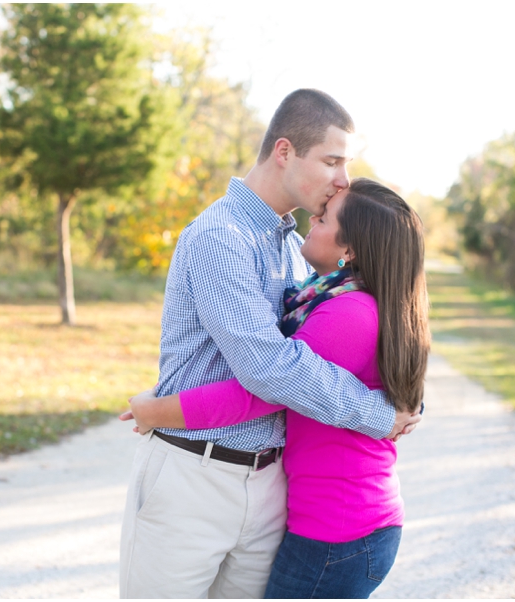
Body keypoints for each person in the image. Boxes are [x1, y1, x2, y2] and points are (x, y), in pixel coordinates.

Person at [118, 89, 421, 599]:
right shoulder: (221, 236)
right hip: (194, 474)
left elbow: (340, 347)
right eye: (332, 161)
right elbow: (268, 370)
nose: (343, 179)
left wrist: (399, 394)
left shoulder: (298, 254)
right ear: (285, 152)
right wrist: (378, 413)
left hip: (270, 485)